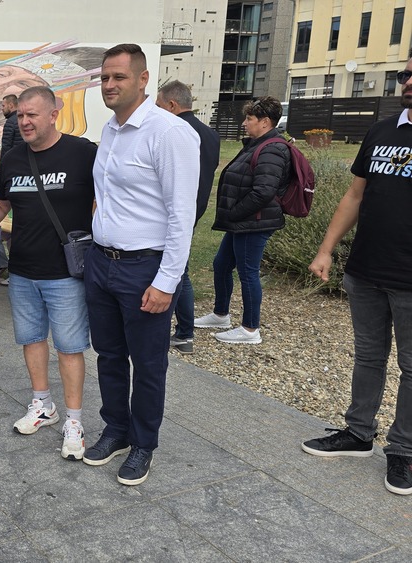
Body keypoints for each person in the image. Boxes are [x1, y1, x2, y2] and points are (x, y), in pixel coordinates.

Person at [0, 86, 96, 458]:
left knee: (69, 347)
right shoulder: (14, 158)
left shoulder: (82, 153)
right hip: (22, 270)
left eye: (33, 114)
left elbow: (105, 199)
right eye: (20, 115)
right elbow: (1, 204)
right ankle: (43, 405)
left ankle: (74, 421)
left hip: (65, 273)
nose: (25, 121)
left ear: (53, 114)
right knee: (32, 340)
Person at [81, 44, 199, 486]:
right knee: (109, 355)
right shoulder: (111, 130)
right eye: (104, 78)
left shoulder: (168, 132)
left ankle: (144, 443)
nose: (109, 85)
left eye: (119, 77)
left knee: (148, 364)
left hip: (144, 267)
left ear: (143, 79)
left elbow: (181, 214)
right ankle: (116, 429)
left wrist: (167, 281)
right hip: (102, 261)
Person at [300, 60, 412, 496]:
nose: (407, 82)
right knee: (368, 357)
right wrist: (326, 249)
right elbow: (354, 195)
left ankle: (403, 450)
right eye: (404, 75)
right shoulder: (381, 131)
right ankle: (359, 432)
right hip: (366, 270)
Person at [193, 97, 289, 345]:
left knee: (248, 273)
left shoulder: (272, 149)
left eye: (249, 119)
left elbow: (264, 192)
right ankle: (220, 315)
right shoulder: (256, 144)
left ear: (265, 122)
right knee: (222, 264)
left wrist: (234, 213)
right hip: (243, 221)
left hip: (254, 223)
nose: (244, 123)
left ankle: (250, 329)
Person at [155, 81, 221, 354]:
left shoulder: (174, 131)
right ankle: (182, 331)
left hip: (174, 213)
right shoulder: (211, 134)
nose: (156, 112)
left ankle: (183, 333)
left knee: (177, 272)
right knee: (180, 270)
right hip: (196, 208)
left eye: (159, 106)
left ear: (172, 105)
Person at [0, 94, 23, 161]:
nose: (2, 109)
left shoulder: (10, 122)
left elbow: (6, 147)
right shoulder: (23, 118)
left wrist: (2, 163)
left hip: (13, 160)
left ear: (10, 105)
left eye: (3, 106)